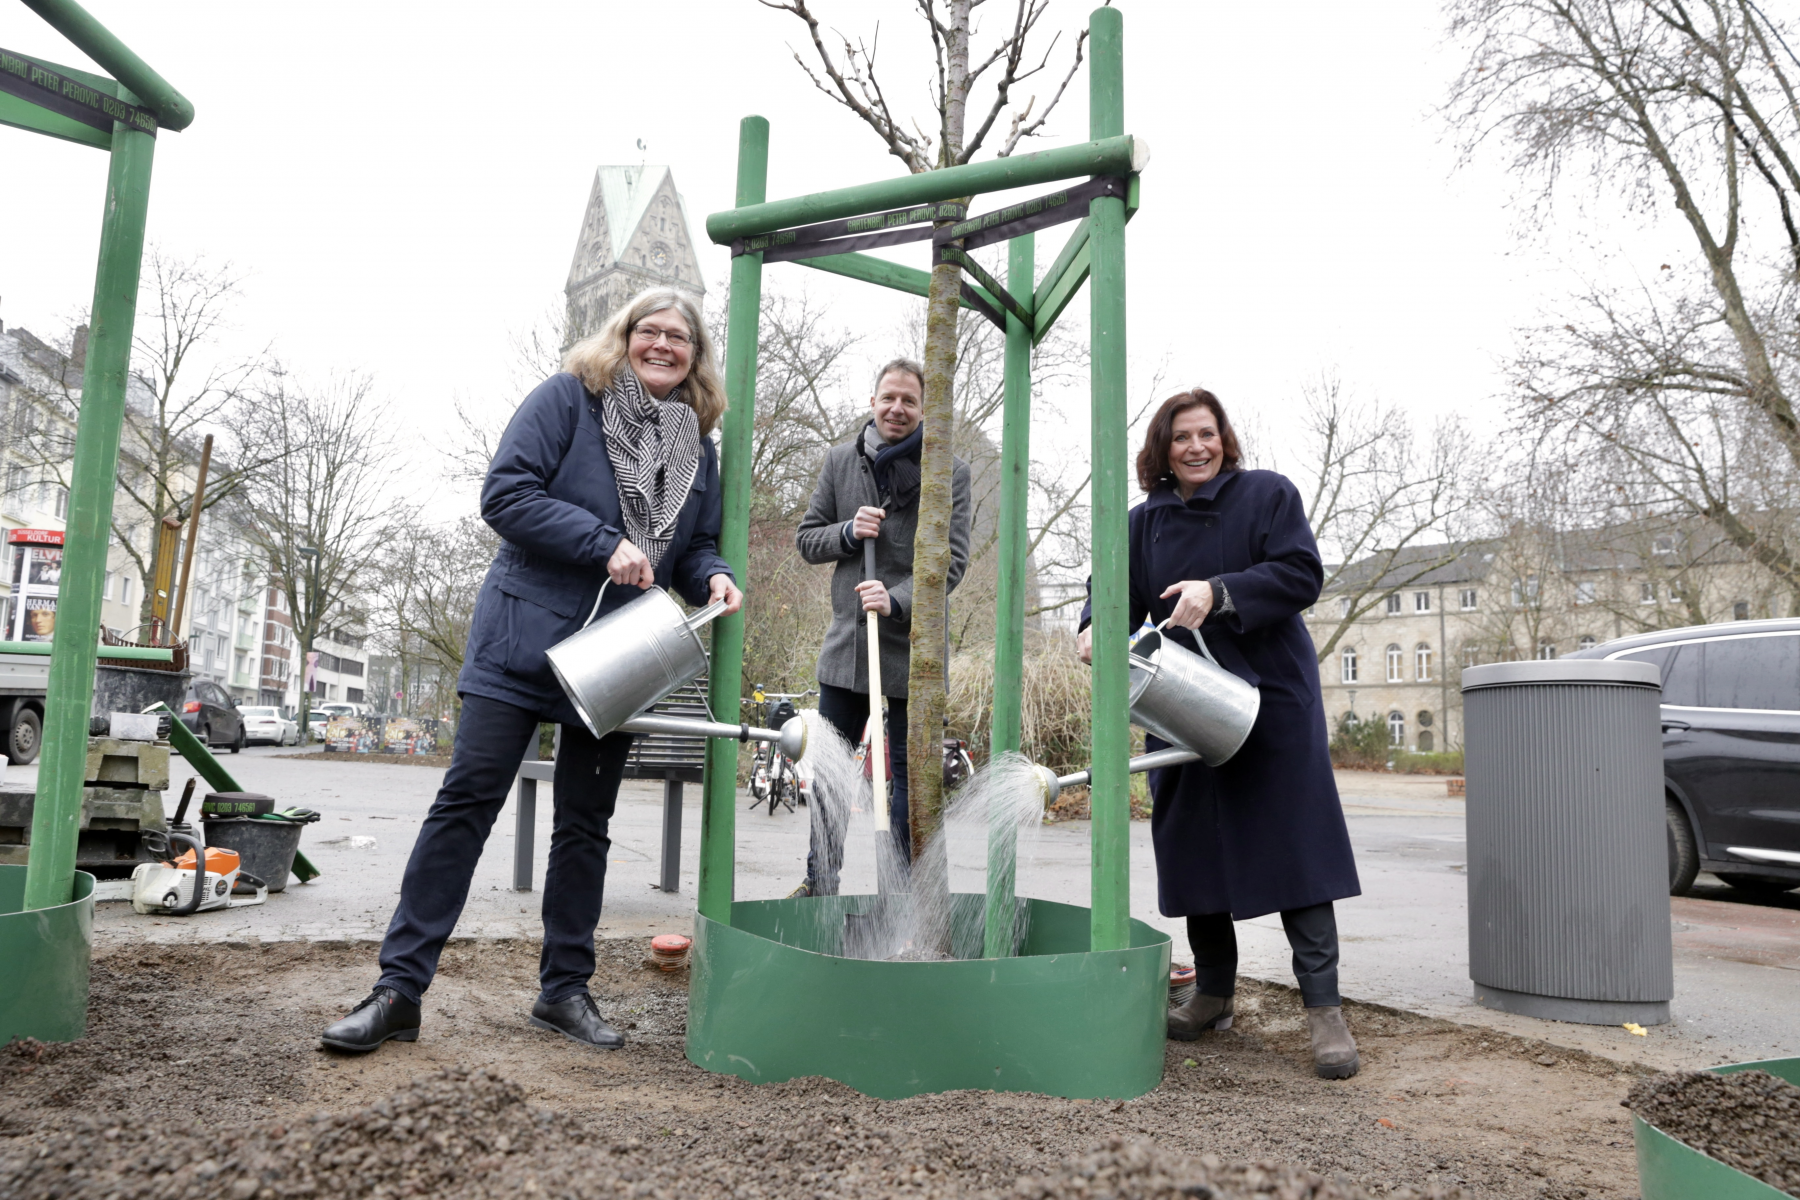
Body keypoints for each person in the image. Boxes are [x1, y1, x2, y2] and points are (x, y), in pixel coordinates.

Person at [320, 287, 742, 1054]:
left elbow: (696, 542)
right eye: (650, 330)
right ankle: (398, 991)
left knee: (585, 826)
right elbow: (505, 495)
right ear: (623, 335)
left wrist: (712, 574)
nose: (664, 345)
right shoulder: (566, 401)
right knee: (465, 806)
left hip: (617, 656)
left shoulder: (697, 445)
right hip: (520, 639)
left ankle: (563, 993)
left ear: (696, 358)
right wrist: (600, 542)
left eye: (681, 338)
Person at [1076, 387, 1363, 1079]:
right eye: (1182, 438)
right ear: (1162, 452)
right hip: (1180, 700)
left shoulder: (1268, 496)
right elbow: (1111, 591)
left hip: (1272, 697)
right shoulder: (1143, 523)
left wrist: (1220, 592)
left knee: (1295, 847)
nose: (1197, 447)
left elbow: (1301, 573)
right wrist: (1093, 626)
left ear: (1224, 439)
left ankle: (1324, 1011)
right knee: (1193, 847)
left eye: (1207, 434)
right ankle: (1211, 992)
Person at [792, 358, 971, 894]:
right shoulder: (840, 462)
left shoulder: (948, 472)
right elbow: (807, 539)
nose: (897, 408)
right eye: (888, 397)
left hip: (913, 656)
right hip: (847, 652)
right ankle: (819, 884)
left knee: (906, 787)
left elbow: (951, 565)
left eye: (909, 401)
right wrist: (848, 532)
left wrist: (894, 599)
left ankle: (902, 901)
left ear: (925, 409)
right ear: (873, 401)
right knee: (830, 779)